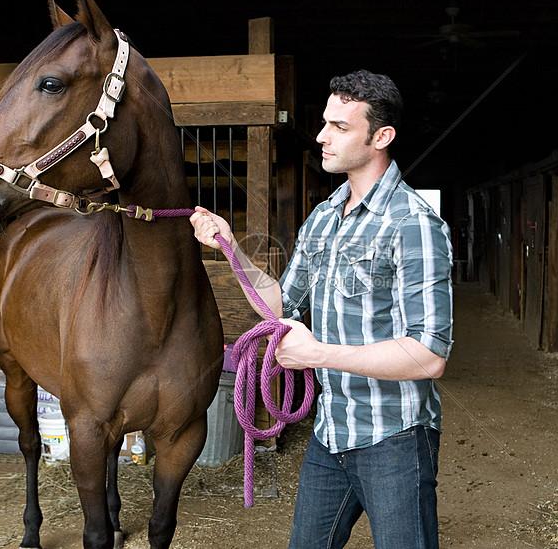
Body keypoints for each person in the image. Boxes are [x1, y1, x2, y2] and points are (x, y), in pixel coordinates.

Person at [190, 70, 453, 549]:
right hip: (331, 435)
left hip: (393, 437)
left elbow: (428, 355)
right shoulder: (324, 217)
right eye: (324, 123)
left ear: (381, 137)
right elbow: (280, 304)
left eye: (339, 127)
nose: (321, 136)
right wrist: (231, 247)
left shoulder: (414, 224)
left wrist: (318, 355)